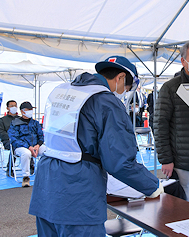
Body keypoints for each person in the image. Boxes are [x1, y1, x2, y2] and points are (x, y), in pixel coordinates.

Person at [29, 56, 163, 236]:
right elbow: (120, 161)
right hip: (77, 194)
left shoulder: (62, 91)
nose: (124, 92)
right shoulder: (105, 101)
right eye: (127, 88)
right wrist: (153, 186)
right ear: (120, 78)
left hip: (46, 188)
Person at [153, 39, 189, 208]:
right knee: (181, 208)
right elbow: (160, 124)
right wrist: (166, 159)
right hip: (182, 163)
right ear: (183, 60)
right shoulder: (171, 87)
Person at [8, 101, 46, 187]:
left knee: (47, 151)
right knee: (26, 153)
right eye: (28, 109)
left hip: (35, 146)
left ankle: (45, 175)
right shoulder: (15, 123)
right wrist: (28, 147)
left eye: (31, 109)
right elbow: (14, 139)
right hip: (20, 147)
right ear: (22, 111)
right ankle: (26, 177)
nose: (30, 111)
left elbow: (41, 136)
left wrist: (38, 145)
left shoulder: (35, 123)